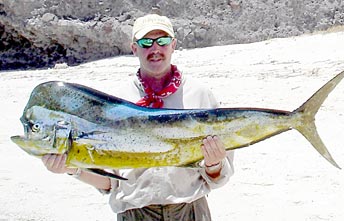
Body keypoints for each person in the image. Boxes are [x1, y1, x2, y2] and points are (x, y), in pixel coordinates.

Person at [42, 14, 234, 221]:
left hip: (191, 211)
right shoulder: (115, 102)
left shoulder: (200, 95)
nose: (155, 49)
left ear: (173, 45)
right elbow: (110, 182)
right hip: (133, 214)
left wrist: (214, 164)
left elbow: (218, 178)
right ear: (134, 48)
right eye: (146, 42)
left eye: (162, 41)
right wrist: (71, 169)